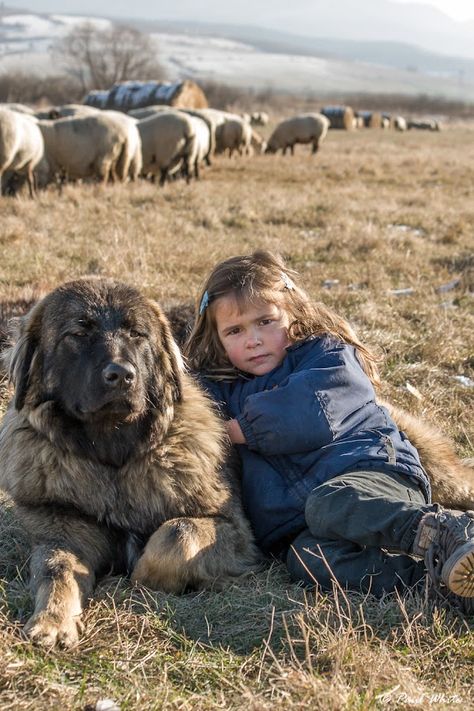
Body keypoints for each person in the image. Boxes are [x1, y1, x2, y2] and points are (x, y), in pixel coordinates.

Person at [184, 250, 474, 609]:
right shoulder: (219, 390)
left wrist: (241, 429)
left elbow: (314, 410)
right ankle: (441, 587)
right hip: (305, 522)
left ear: (293, 314)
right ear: (217, 339)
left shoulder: (326, 354)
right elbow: (187, 416)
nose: (253, 339)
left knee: (329, 503)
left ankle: (445, 531)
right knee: (308, 560)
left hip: (371, 474)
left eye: (265, 322)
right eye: (235, 331)